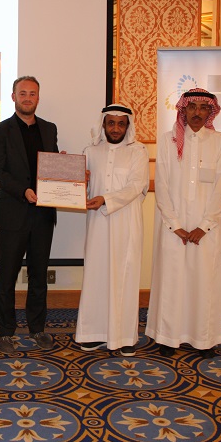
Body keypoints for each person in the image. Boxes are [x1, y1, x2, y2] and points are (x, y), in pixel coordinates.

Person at [146, 89, 221, 359]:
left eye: (203, 108)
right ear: (182, 110)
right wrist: (176, 225)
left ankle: (204, 339)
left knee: (204, 283)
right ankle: (168, 337)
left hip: (206, 229)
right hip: (173, 227)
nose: (197, 112)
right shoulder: (168, 140)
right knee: (172, 282)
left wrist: (203, 226)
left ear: (210, 112)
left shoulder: (219, 142)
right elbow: (162, 184)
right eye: (191, 107)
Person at [0, 76, 58, 354]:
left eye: (33, 93)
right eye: (23, 93)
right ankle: (5, 332)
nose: (28, 98)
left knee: (39, 275)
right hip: (12, 213)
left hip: (43, 215)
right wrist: (24, 191)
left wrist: (65, 169)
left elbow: (52, 164)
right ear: (13, 96)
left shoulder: (49, 128)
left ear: (38, 97)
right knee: (7, 276)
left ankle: (37, 328)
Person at [76, 104, 149, 355]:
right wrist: (71, 176)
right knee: (95, 274)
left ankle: (125, 337)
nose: (115, 128)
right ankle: (92, 333)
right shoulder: (90, 151)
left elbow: (136, 185)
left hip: (126, 222)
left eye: (121, 123)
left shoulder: (138, 151)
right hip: (97, 223)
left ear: (127, 126)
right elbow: (81, 190)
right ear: (103, 125)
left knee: (125, 277)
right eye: (111, 123)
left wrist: (106, 199)